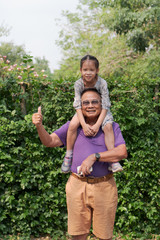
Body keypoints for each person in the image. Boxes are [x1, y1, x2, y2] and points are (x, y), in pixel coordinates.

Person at [32, 88, 127, 240]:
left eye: (94, 102)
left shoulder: (111, 126)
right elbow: (49, 141)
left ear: (102, 105)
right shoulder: (73, 126)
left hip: (104, 186)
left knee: (104, 236)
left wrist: (94, 156)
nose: (90, 105)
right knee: (77, 235)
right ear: (80, 106)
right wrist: (39, 126)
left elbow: (122, 152)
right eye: (86, 103)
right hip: (77, 185)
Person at [61, 54, 123, 173]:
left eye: (91, 70)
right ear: (80, 70)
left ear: (97, 70)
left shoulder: (102, 83)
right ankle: (68, 155)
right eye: (85, 70)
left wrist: (97, 124)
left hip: (102, 111)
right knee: (72, 125)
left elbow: (105, 105)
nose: (88, 73)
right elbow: (78, 105)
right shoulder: (78, 84)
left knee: (108, 127)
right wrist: (84, 125)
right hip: (82, 110)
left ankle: (112, 161)